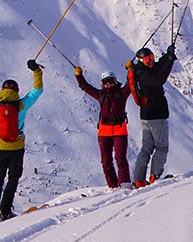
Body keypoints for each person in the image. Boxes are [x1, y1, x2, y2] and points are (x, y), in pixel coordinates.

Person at [0, 53, 43, 220]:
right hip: (17, 148)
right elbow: (38, 90)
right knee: (13, 179)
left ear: (2, 90)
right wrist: (36, 70)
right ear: (16, 91)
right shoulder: (21, 105)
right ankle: (5, 210)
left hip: (0, 147)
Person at [127, 44, 177, 187]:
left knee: (147, 148)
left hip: (146, 115)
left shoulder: (140, 70)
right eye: (148, 59)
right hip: (156, 114)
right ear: (141, 60)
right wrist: (170, 61)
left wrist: (167, 56)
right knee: (161, 147)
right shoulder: (144, 74)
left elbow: (156, 67)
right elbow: (159, 80)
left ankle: (139, 179)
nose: (151, 61)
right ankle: (155, 176)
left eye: (152, 57)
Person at [74, 67, 132, 188]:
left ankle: (124, 185)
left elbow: (130, 83)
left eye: (110, 81)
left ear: (115, 81)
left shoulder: (121, 93)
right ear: (102, 83)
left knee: (120, 159)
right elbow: (85, 87)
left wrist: (131, 70)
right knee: (106, 162)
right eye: (105, 82)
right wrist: (79, 76)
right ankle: (113, 187)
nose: (108, 84)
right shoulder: (100, 95)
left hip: (119, 130)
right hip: (104, 132)